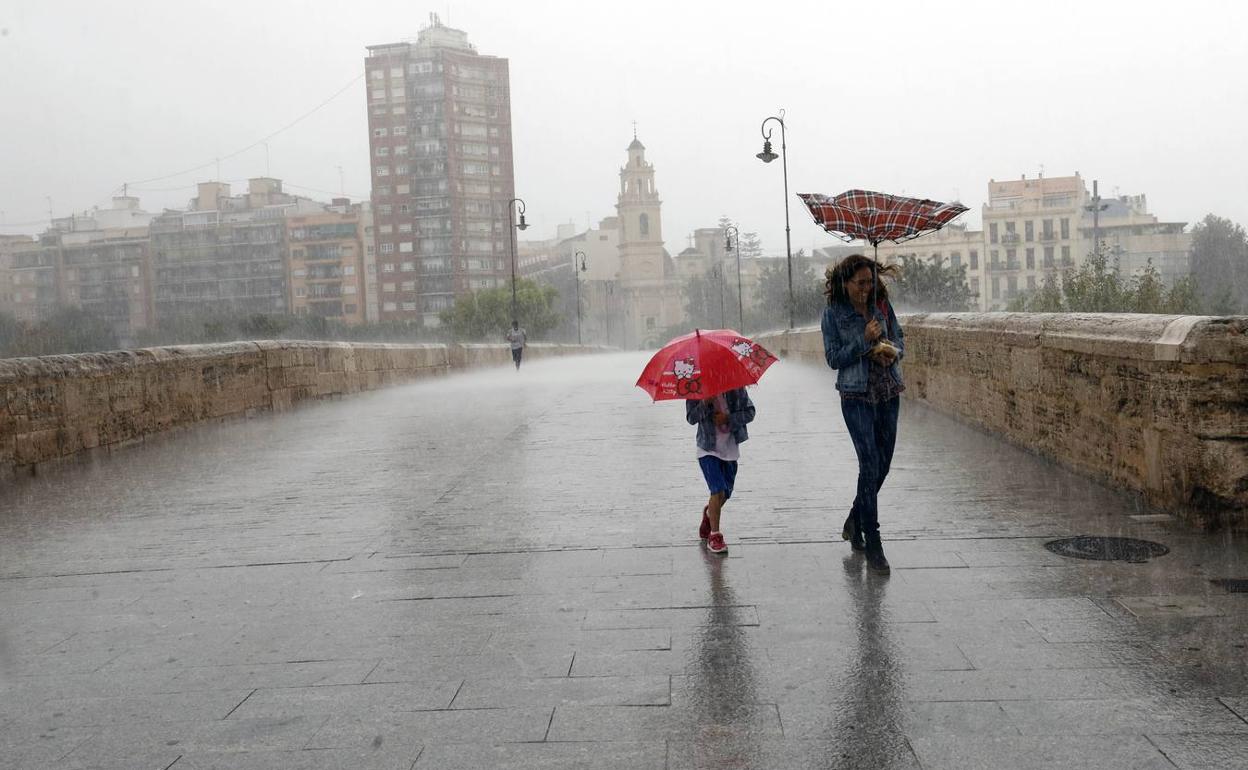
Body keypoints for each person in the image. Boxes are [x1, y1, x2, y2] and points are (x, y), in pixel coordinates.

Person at [821, 254, 905, 574]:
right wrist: (864, 340)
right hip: (855, 396)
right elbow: (833, 358)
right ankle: (874, 542)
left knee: (882, 466)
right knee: (868, 464)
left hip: (888, 392)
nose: (866, 289)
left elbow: (899, 339)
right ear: (845, 283)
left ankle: (856, 518)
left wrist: (890, 354)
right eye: (860, 283)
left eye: (870, 282)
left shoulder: (881, 306)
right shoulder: (833, 314)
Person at [686, 387, 755, 554]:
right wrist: (704, 403)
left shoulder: (737, 388)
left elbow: (750, 412)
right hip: (707, 448)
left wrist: (728, 418)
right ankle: (715, 536)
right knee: (717, 490)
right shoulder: (696, 387)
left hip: (730, 449)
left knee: (725, 494)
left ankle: (709, 513)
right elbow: (691, 418)